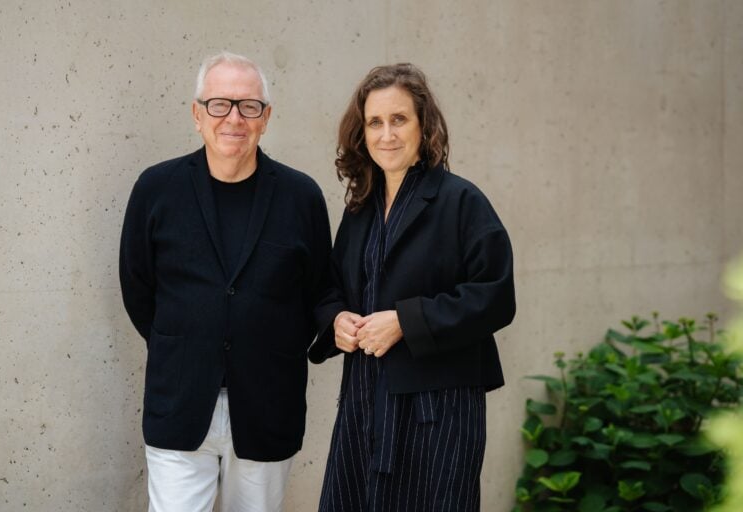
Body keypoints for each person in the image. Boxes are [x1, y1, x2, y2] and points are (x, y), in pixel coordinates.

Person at [119, 52, 331, 512]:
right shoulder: (156, 189)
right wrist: (189, 342)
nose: (234, 117)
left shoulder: (302, 197)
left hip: (268, 403)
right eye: (219, 104)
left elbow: (319, 291)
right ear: (197, 115)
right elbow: (138, 289)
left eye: (249, 106)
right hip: (179, 400)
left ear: (266, 118)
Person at [308, 63, 516, 511]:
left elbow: (496, 297)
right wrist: (336, 319)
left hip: (438, 414)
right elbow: (331, 286)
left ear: (424, 125)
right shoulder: (360, 208)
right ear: (361, 132)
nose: (387, 134)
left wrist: (407, 321)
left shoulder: (462, 201)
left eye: (399, 119)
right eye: (375, 122)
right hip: (364, 404)